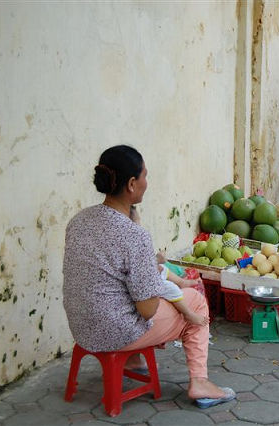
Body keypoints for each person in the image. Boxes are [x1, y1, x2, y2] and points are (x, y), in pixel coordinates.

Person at [62, 145, 235, 409]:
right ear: (132, 184)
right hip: (115, 332)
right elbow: (147, 309)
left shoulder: (79, 220)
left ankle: (132, 360)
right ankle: (200, 382)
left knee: (142, 294)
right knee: (195, 302)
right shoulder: (135, 235)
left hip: (81, 327)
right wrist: (164, 285)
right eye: (144, 175)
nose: (147, 182)